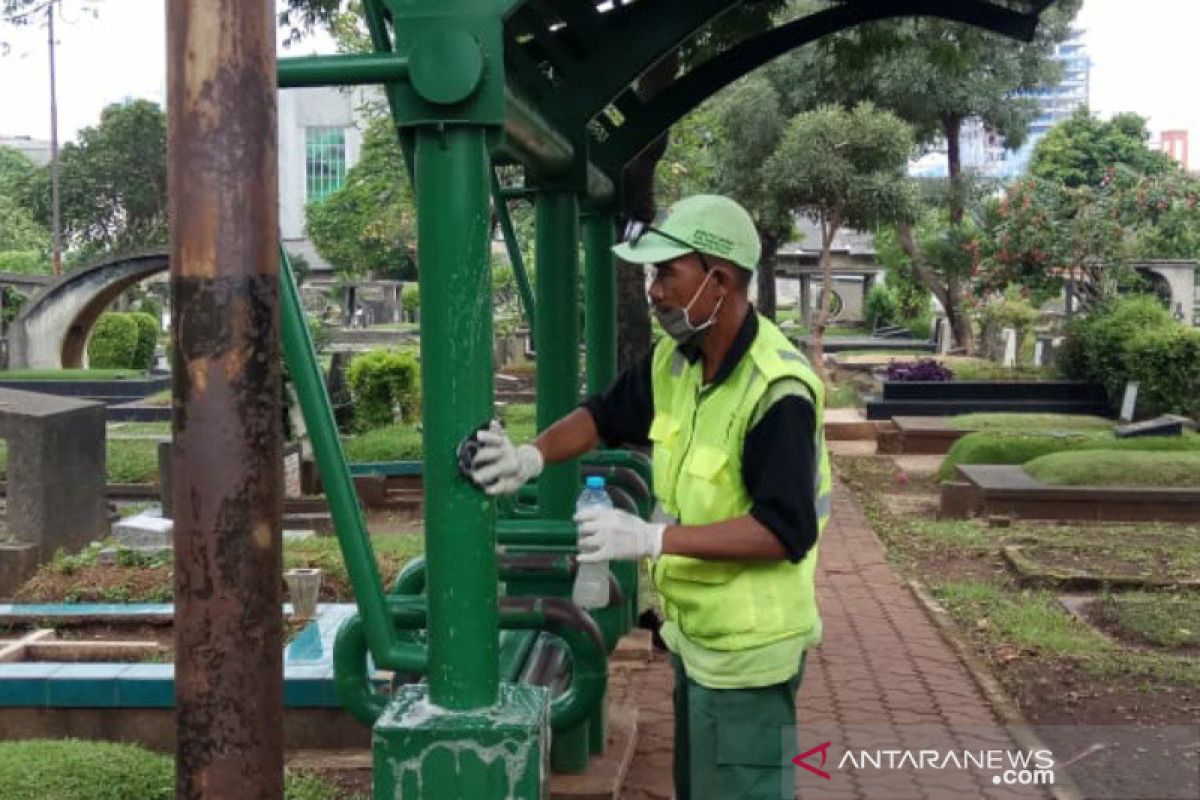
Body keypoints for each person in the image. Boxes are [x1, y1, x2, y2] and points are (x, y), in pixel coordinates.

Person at [468, 194, 831, 800]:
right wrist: (530, 457)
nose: (654, 291)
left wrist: (651, 538)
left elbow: (783, 531)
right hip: (697, 642)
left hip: (749, 656)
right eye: (651, 274)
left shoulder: (778, 391)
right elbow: (603, 415)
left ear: (719, 281)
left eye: (667, 273)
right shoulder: (678, 360)